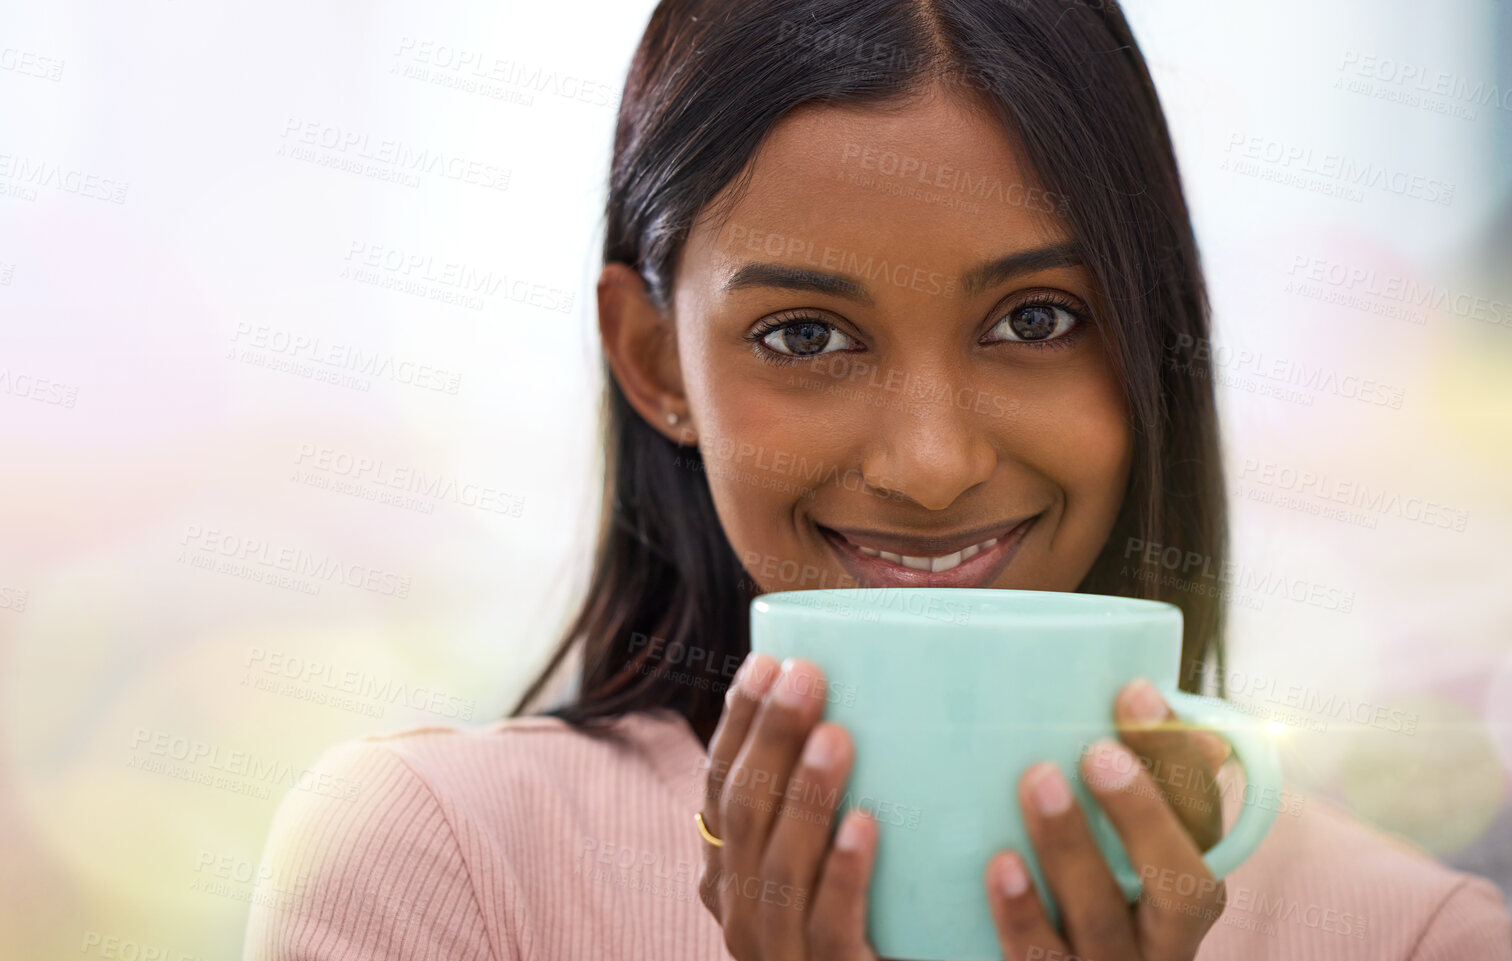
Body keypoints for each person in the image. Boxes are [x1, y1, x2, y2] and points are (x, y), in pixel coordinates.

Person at [241, 0, 1512, 957]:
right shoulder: (438, 865)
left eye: (1035, 319)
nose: (930, 464)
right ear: (652, 359)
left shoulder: (1413, 939)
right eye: (804, 335)